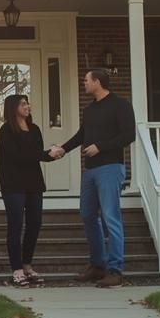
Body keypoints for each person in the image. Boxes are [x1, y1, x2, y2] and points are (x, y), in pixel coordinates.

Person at [49, 68, 135, 287]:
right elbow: (82, 135)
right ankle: (98, 265)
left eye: (86, 80)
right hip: (90, 170)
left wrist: (101, 147)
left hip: (110, 168)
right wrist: (63, 149)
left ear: (97, 82)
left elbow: (128, 135)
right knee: (87, 214)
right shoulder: (89, 110)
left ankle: (115, 270)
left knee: (110, 217)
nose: (83, 83)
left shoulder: (120, 105)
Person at [0, 94, 51, 287]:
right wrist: (45, 155)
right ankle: (17, 269)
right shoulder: (6, 131)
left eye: (28, 103)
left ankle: (27, 265)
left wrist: (50, 155)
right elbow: (18, 156)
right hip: (13, 184)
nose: (27, 106)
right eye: (23, 104)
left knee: (35, 223)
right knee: (16, 225)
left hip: (34, 183)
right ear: (13, 108)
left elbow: (37, 153)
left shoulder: (34, 129)